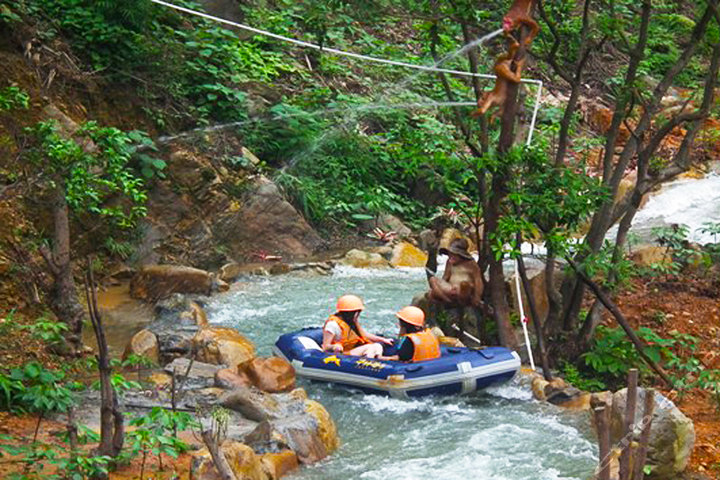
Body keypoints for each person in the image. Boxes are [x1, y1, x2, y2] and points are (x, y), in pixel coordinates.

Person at [322, 294, 393, 358]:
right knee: (369, 348)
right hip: (342, 354)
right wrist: (334, 346)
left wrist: (383, 340)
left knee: (377, 346)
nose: (358, 314)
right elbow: (325, 347)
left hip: (352, 349)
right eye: (358, 312)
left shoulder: (352, 321)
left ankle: (379, 359)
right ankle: (369, 367)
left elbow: (364, 334)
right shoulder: (332, 325)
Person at [427, 238, 483, 307]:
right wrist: (440, 287)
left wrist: (477, 297)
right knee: (432, 280)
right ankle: (447, 300)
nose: (450, 257)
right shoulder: (449, 262)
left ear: (460, 255)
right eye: (449, 254)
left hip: (464, 291)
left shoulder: (471, 264)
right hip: (451, 288)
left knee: (464, 285)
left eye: (453, 255)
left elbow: (478, 281)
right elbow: (445, 277)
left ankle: (456, 302)